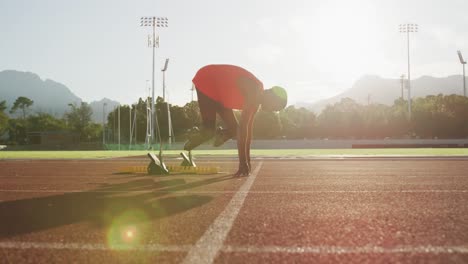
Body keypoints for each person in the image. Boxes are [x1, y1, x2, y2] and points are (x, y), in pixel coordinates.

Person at [184, 64, 287, 176]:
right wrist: (242, 162)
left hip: (221, 94)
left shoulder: (256, 102)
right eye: (275, 107)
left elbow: (248, 132)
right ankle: (193, 135)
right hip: (207, 79)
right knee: (209, 132)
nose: (272, 110)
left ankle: (219, 133)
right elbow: (243, 128)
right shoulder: (254, 91)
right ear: (272, 98)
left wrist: (248, 160)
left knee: (234, 130)